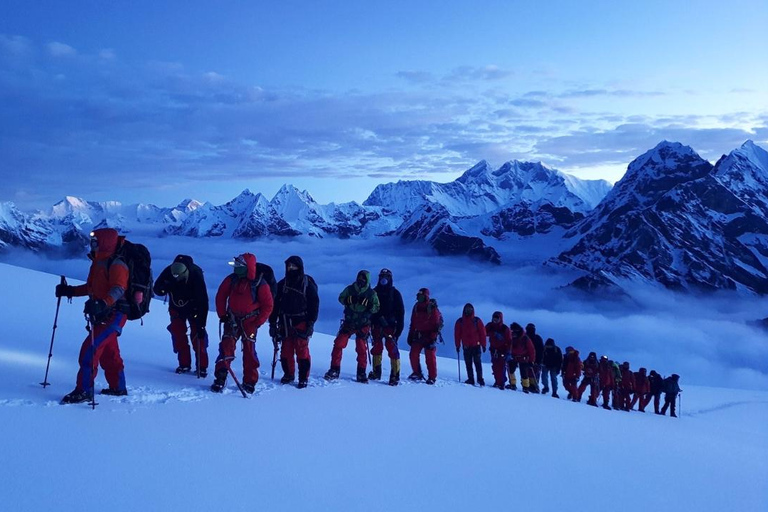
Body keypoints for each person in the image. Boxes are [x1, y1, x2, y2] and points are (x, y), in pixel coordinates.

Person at [56, 228, 130, 403]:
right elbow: (91, 288)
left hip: (114, 314)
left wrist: (103, 303)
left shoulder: (117, 264)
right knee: (110, 354)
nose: (92, 245)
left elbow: (119, 289)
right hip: (103, 314)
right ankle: (118, 387)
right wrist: (70, 291)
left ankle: (84, 390)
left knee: (90, 350)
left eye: (95, 242)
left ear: (104, 242)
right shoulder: (98, 262)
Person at [211, 253, 274, 394]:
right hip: (232, 319)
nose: (235, 268)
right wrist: (223, 315)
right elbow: (221, 296)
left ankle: (250, 381)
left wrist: (258, 322)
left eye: (239, 266)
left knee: (249, 351)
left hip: (250, 321)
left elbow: (268, 305)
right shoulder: (232, 279)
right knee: (226, 347)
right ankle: (221, 377)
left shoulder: (260, 283)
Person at [153, 255, 209, 377]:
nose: (176, 277)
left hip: (193, 308)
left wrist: (202, 325)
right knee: (179, 335)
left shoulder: (196, 275)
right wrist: (167, 286)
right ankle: (184, 364)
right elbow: (156, 289)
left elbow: (203, 301)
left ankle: (202, 366)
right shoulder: (169, 271)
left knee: (198, 337)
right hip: (176, 308)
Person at [269, 255, 319, 389]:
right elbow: (274, 304)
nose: (291, 268)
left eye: (294, 266)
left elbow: (314, 304)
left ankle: (303, 377)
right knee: (286, 350)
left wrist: (311, 323)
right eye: (289, 266)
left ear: (300, 267)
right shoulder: (282, 284)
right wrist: (272, 323)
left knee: (302, 350)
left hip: (301, 321)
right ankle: (289, 374)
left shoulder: (306, 284)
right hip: (285, 322)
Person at [324, 270, 380, 383]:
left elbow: (376, 307)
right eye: (360, 277)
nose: (361, 280)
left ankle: (361, 372)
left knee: (361, 348)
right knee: (339, 344)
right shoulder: (350, 289)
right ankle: (334, 369)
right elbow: (341, 298)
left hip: (362, 323)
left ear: (367, 280)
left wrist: (369, 305)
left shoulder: (371, 294)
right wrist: (348, 300)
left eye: (363, 278)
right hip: (349, 322)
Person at [368, 268, 405, 386]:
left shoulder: (395, 294)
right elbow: (369, 310)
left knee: (392, 349)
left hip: (390, 326)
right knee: (377, 348)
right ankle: (376, 372)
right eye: (382, 276)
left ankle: (395, 375)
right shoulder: (374, 292)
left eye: (386, 276)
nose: (384, 279)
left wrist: (399, 329)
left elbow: (401, 312)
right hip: (377, 326)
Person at [407, 288, 442, 385]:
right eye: (418, 296)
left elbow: (436, 324)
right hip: (419, 334)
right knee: (413, 353)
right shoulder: (416, 307)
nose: (419, 298)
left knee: (430, 357)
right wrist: (410, 334)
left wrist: (433, 337)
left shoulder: (432, 307)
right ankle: (417, 373)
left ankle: (432, 377)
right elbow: (413, 323)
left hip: (429, 335)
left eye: (421, 296)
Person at [454, 303, 487, 386]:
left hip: (475, 346)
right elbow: (457, 335)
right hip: (467, 346)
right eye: (467, 309)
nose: (468, 311)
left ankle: (479, 379)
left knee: (477, 363)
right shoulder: (461, 322)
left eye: (470, 309)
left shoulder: (476, 321)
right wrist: (457, 345)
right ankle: (471, 379)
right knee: (469, 364)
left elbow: (482, 333)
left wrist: (483, 344)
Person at [486, 311, 512, 390]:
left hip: (502, 350)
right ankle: (497, 381)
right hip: (493, 350)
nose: (495, 320)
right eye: (494, 318)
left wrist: (508, 352)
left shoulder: (505, 328)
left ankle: (502, 382)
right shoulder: (490, 326)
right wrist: (492, 334)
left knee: (501, 367)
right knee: (495, 366)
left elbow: (509, 341)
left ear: (500, 319)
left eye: (497, 318)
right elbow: (484, 332)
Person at [508, 322, 536, 393]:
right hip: (514, 356)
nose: (513, 332)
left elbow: (531, 350)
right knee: (511, 370)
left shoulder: (525, 338)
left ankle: (525, 386)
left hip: (523, 357)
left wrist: (531, 360)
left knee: (524, 372)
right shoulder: (513, 337)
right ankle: (513, 384)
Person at [526, 323, 544, 393]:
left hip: (532, 359)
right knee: (533, 373)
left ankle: (532, 386)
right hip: (534, 359)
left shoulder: (526, 337)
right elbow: (541, 349)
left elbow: (541, 349)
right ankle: (533, 386)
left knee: (531, 373)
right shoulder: (537, 338)